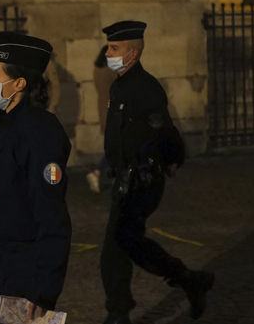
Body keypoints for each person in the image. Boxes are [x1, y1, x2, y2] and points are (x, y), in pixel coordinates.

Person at [99, 21, 214, 324]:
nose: (109, 53)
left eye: (115, 48)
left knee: (123, 241)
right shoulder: (119, 85)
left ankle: (186, 279)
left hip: (144, 180)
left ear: (133, 53)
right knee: (117, 249)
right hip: (125, 179)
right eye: (109, 47)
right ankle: (120, 312)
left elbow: (162, 128)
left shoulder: (145, 87)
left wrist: (173, 157)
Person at [0, 31, 72, 324]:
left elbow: (52, 216)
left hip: (28, 267)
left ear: (19, 83)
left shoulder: (41, 132)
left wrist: (43, 292)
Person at [85, 45, 117, 193]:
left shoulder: (97, 71)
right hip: (114, 113)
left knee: (117, 147)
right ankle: (97, 172)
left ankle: (115, 177)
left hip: (104, 112)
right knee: (117, 147)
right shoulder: (112, 72)